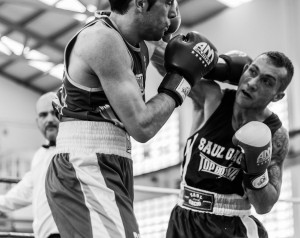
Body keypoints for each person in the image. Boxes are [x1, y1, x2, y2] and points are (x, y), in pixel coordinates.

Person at [45, 1, 219, 238]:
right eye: (167, 2)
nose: (173, 12)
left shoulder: (138, 42)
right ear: (140, 3)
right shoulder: (103, 39)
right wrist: (183, 80)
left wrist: (233, 70)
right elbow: (142, 126)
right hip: (85, 163)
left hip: (114, 162)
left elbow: (195, 67)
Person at [166, 50, 294, 238]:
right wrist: (215, 69)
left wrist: (256, 172)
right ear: (243, 70)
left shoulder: (275, 134)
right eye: (252, 72)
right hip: (183, 217)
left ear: (277, 96)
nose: (252, 83)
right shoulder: (212, 98)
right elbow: (168, 62)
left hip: (232, 226)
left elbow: (264, 205)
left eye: (266, 81)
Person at [0, 92, 60, 238]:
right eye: (43, 115)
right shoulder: (40, 156)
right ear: (37, 121)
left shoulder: (76, 150)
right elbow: (25, 190)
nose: (50, 119)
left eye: (55, 113)